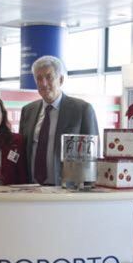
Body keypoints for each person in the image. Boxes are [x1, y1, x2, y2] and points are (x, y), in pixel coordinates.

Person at [20, 56, 98, 186]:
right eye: (39, 78)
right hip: (32, 189)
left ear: (60, 79)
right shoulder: (28, 111)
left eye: (49, 77)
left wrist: (88, 190)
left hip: (67, 190)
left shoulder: (82, 110)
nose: (44, 83)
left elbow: (91, 158)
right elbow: (23, 152)